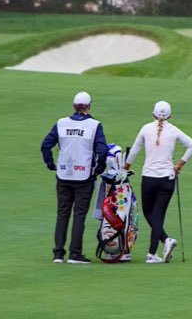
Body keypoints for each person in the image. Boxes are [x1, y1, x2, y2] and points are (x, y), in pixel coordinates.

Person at [123, 101, 192, 264]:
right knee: (157, 215)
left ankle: (153, 252)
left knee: (150, 213)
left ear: (153, 114)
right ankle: (164, 242)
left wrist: (125, 167)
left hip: (148, 177)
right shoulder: (173, 130)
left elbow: (135, 150)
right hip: (167, 179)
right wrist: (179, 165)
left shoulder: (145, 128)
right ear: (170, 116)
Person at [41, 91, 109, 264]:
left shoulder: (61, 123)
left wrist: (50, 164)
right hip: (84, 176)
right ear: (89, 106)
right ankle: (75, 254)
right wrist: (98, 169)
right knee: (79, 214)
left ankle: (58, 254)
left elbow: (46, 145)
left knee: (62, 213)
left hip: (63, 174)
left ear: (74, 106)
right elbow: (102, 150)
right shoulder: (94, 125)